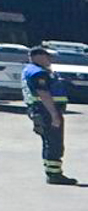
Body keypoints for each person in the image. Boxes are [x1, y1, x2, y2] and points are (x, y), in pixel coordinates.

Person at [20, 46, 75, 185]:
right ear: (38, 56)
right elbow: (43, 94)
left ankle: (52, 172)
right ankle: (54, 174)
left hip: (40, 110)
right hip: (46, 111)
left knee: (49, 142)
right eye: (47, 56)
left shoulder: (32, 70)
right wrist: (54, 115)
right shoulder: (38, 73)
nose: (50, 59)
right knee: (54, 143)